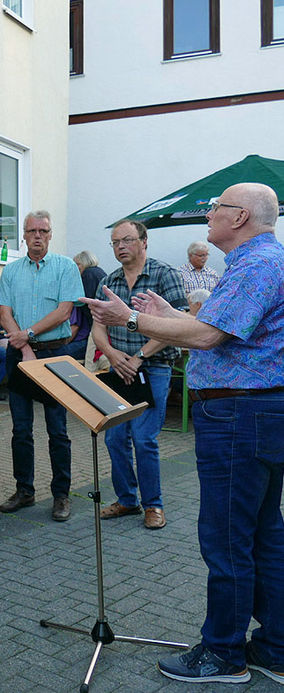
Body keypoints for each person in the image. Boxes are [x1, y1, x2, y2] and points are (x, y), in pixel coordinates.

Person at [83, 183, 284, 685]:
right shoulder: (258, 262)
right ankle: (275, 646)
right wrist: (171, 317)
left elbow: (211, 337)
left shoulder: (257, 263)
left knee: (228, 538)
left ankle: (223, 654)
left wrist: (130, 316)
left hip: (239, 418)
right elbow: (223, 330)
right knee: (263, 534)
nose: (209, 215)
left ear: (239, 217)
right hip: (255, 414)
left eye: (216, 208)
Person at [93, 220, 187, 530]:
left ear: (144, 241)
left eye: (127, 240)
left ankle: (153, 505)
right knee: (115, 438)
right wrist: (111, 355)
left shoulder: (164, 275)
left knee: (144, 439)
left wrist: (139, 357)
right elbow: (98, 327)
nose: (121, 246)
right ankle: (127, 500)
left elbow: (179, 324)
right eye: (115, 242)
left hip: (154, 368)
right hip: (119, 368)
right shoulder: (109, 281)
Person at [0, 211, 84, 522]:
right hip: (20, 356)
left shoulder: (66, 267)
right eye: (31, 230)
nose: (37, 236)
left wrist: (28, 335)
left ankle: (61, 495)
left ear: (50, 233)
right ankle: (25, 491)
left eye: (43, 230)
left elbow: (64, 312)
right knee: (21, 429)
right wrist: (26, 346)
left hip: (54, 354)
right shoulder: (11, 270)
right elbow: (4, 313)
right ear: (23, 234)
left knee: (57, 430)